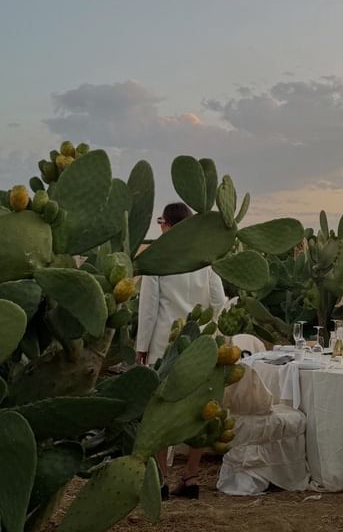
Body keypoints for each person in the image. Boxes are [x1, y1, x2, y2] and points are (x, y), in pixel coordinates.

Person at [136, 202, 226, 500]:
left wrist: (141, 347)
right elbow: (218, 301)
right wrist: (211, 334)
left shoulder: (158, 259)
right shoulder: (205, 260)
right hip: (200, 345)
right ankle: (191, 479)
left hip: (165, 344)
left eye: (161, 222)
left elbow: (148, 309)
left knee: (162, 412)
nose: (159, 227)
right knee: (199, 411)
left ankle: (161, 480)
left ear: (171, 226)